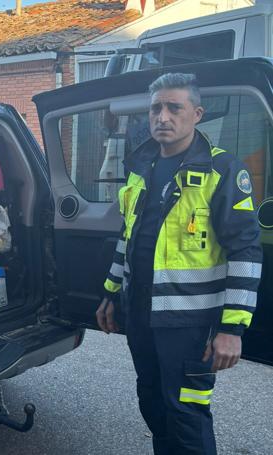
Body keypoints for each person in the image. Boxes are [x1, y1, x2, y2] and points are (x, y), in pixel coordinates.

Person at [97, 73, 262, 454]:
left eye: (175, 107)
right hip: (141, 314)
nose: (163, 116)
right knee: (153, 404)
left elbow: (245, 251)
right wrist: (110, 295)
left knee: (187, 412)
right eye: (156, 107)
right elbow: (129, 238)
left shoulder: (221, 171)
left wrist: (232, 328)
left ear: (197, 114)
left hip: (190, 323)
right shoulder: (142, 167)